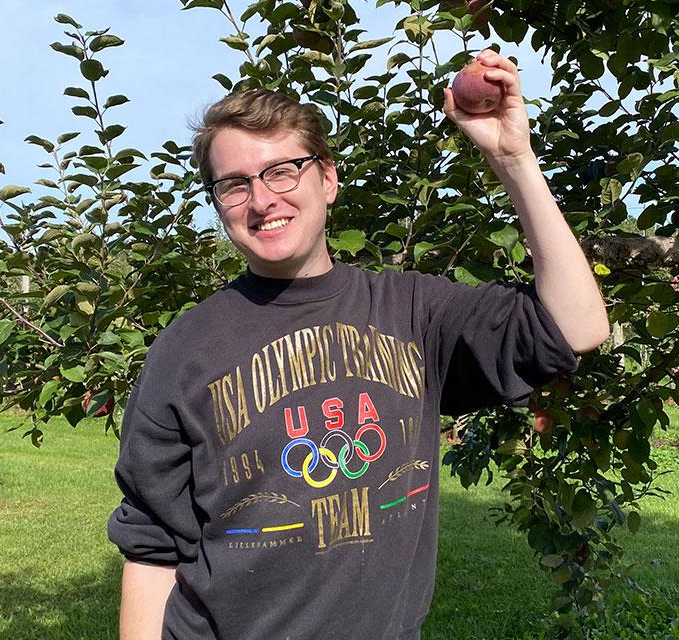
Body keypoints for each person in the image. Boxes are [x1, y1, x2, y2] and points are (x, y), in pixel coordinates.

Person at [107, 49, 609, 640]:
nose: (262, 199)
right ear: (218, 204)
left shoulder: (413, 312)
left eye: (282, 170)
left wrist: (513, 158)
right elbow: (152, 546)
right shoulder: (186, 348)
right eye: (235, 184)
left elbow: (577, 327)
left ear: (328, 179)